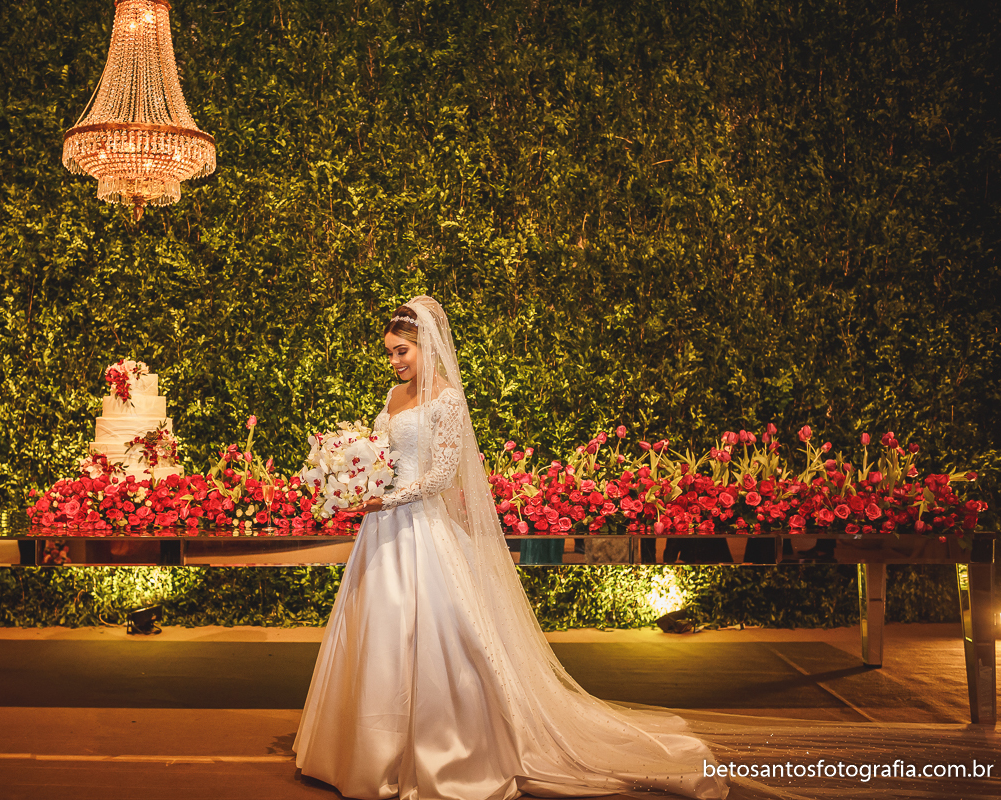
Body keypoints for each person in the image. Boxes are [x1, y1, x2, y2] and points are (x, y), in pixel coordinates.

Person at [294, 295, 729, 800]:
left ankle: (444, 749)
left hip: (421, 527)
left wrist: (384, 497)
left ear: (426, 346)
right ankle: (368, 752)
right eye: (389, 353)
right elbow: (379, 453)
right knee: (378, 630)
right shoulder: (392, 396)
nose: (394, 362)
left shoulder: (447, 400)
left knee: (440, 636)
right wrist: (352, 475)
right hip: (381, 532)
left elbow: (441, 476)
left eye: (401, 351)